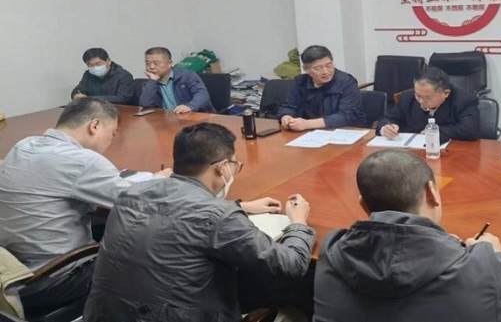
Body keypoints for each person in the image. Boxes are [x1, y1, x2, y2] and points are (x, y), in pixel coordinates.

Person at [83, 122, 316, 322]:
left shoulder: (131, 194)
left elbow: (178, 210)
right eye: (235, 165)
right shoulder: (219, 217)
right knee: (294, 302)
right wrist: (298, 223)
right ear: (222, 168)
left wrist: (240, 206)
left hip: (104, 314)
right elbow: (291, 265)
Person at [314, 149, 501, 322]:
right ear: (432, 192)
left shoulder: (332, 251)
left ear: (363, 204)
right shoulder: (479, 267)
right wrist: (497, 256)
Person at [0, 99, 135, 311]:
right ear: (95, 125)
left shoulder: (23, 146)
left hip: (10, 274)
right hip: (52, 279)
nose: (111, 141)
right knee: (144, 255)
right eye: (112, 133)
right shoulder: (83, 161)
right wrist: (159, 181)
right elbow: (140, 202)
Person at [376, 67, 480, 141]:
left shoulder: (464, 100)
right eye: (418, 95)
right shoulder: (407, 97)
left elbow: (470, 130)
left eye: (427, 97)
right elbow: (388, 118)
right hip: (412, 153)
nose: (421, 101)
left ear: (446, 93)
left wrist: (434, 131)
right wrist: (386, 128)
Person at [278, 45, 366, 130]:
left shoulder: (347, 82)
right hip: (307, 132)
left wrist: (308, 124)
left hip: (344, 130)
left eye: (329, 66)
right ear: (306, 69)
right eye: (318, 68)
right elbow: (289, 106)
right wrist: (286, 117)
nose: (326, 72)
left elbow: (347, 115)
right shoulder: (301, 82)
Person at [139, 47, 214, 113]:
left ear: (170, 63)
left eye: (156, 63)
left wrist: (190, 107)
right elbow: (146, 105)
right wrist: (153, 81)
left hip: (196, 117)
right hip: (167, 120)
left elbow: (202, 95)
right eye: (147, 63)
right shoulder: (150, 84)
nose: (151, 67)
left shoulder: (187, 76)